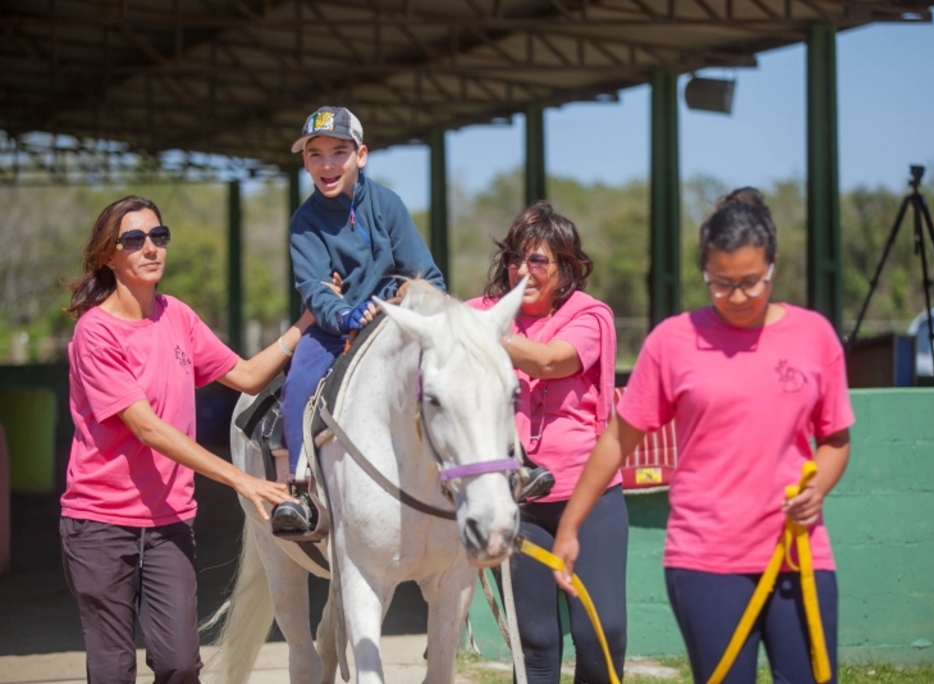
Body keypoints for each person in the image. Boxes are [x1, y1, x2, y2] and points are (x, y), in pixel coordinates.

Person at [551, 188, 854, 684]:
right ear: (705, 272)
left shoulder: (814, 336)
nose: (737, 297)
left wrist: (818, 487)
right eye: (721, 283)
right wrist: (570, 527)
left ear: (773, 266)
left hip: (798, 553)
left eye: (752, 283)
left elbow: (836, 439)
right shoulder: (673, 342)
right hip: (706, 558)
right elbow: (616, 441)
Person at [61, 195, 314, 684]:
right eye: (134, 239)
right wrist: (243, 479)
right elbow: (148, 428)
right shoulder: (95, 333)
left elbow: (244, 375)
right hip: (100, 525)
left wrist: (305, 323)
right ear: (108, 256)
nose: (151, 248)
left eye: (159, 236)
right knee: (113, 671)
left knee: (180, 664)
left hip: (168, 524)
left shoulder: (176, 315)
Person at [467, 201, 626, 684]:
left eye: (538, 260)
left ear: (566, 267)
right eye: (516, 257)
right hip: (517, 501)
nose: (523, 270)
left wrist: (481, 331)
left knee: (602, 632)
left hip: (589, 495)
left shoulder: (590, 316)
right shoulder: (480, 312)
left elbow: (550, 361)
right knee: (535, 642)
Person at [274, 105, 446, 535]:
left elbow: (427, 276)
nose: (327, 164)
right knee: (297, 381)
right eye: (315, 154)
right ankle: (300, 491)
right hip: (333, 331)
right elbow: (314, 288)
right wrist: (346, 313)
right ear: (305, 162)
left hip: (395, 323)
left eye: (339, 152)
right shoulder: (304, 222)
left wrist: (392, 301)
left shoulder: (388, 205)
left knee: (458, 373)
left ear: (361, 155)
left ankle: (480, 470)